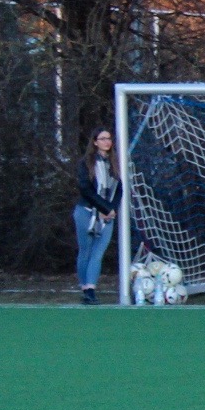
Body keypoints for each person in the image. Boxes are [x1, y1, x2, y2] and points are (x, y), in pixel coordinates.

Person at [74, 128, 120, 303]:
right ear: (95, 142)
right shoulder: (86, 163)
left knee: (98, 253)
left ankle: (91, 289)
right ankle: (85, 289)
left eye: (109, 138)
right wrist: (103, 207)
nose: (107, 142)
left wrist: (110, 209)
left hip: (107, 215)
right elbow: (85, 189)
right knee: (85, 251)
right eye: (102, 139)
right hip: (86, 212)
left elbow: (119, 189)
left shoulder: (114, 163)